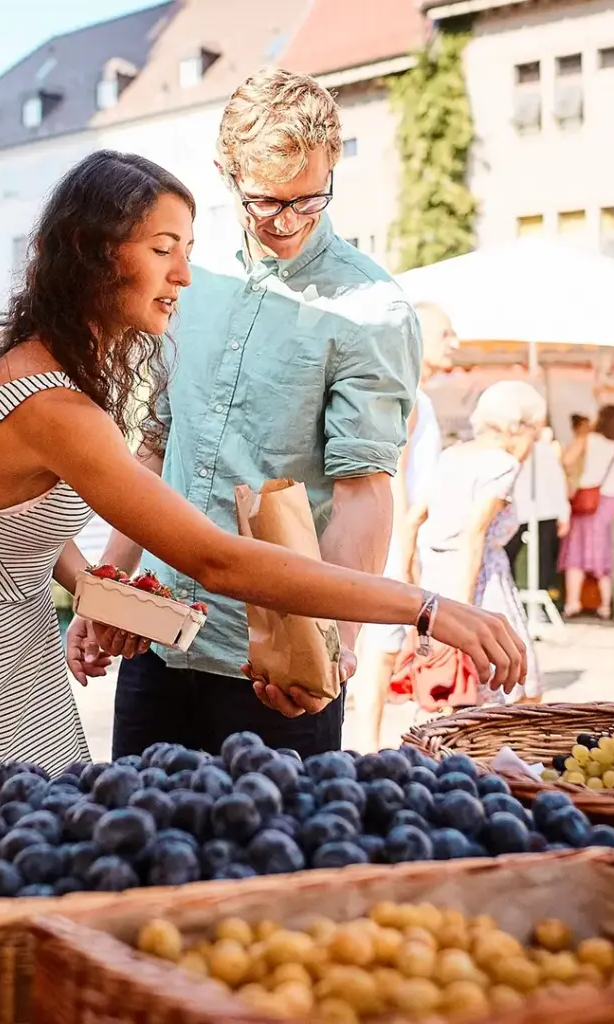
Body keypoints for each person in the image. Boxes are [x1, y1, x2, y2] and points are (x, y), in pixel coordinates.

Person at [0, 150, 526, 858]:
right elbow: (215, 559)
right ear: (95, 253)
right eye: (164, 251)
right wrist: (426, 607)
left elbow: (16, 531)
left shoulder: (46, 370)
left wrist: (96, 590)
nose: (184, 275)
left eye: (187, 251)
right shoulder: (55, 405)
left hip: (5, 653)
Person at [67, 68, 427, 758]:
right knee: (138, 852)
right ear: (226, 173)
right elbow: (154, 449)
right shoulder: (190, 280)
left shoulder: (371, 310)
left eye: (309, 200)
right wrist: (104, 588)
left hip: (278, 661)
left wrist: (337, 650)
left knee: (269, 861)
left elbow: (363, 491)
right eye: (267, 202)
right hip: (158, 639)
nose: (288, 222)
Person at [395, 381, 548, 709]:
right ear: (518, 428)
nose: (534, 444)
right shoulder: (503, 465)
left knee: (456, 689)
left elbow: (414, 519)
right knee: (520, 683)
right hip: (478, 579)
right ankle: (505, 757)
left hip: (435, 576)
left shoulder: (452, 456)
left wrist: (409, 575)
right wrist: (465, 608)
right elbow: (474, 534)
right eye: (535, 434)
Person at [348, 301, 455, 753]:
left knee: (385, 643)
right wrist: (407, 545)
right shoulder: (407, 394)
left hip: (402, 532)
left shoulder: (417, 395)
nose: (456, 344)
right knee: (382, 643)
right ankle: (366, 743)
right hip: (396, 533)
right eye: (447, 334)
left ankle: (367, 739)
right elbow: (393, 474)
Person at [559, 404, 614, 620]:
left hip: (587, 499)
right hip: (610, 500)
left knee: (576, 551)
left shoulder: (588, 439)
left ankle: (573, 603)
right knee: (604, 549)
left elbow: (566, 461)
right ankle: (606, 606)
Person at [504, 425, 570, 599]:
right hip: (531, 510)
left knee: (536, 557)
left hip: (534, 510)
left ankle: (531, 596)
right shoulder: (539, 451)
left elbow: (557, 480)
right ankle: (519, 595)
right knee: (534, 557)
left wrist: (563, 511)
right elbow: (558, 480)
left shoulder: (541, 451)